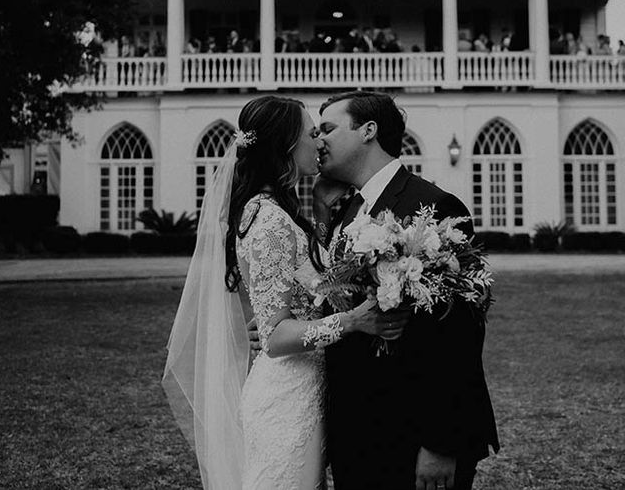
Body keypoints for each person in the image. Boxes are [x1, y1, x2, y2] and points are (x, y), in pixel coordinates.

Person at [163, 96, 408, 489]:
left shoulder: (277, 210)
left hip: (306, 390)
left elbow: (295, 299)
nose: (320, 142)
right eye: (313, 133)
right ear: (287, 146)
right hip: (287, 398)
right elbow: (276, 337)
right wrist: (353, 321)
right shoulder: (270, 220)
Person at [312, 91, 499, 490]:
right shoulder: (345, 209)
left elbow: (460, 335)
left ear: (368, 131)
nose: (317, 139)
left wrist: (441, 442)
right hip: (357, 429)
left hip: (413, 433)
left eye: (327, 128)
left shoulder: (436, 206)